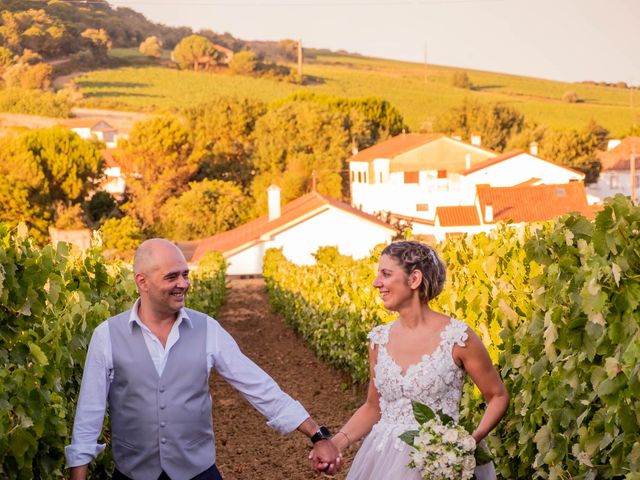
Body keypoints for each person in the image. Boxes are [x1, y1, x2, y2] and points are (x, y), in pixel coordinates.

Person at [65, 238, 340, 480]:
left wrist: (317, 435)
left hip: (197, 473)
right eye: (172, 277)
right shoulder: (107, 336)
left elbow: (260, 387)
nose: (183, 284)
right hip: (132, 474)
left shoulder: (207, 329)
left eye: (185, 274)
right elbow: (88, 417)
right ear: (142, 282)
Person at [311, 240, 509, 479]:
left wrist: (467, 444)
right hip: (382, 460)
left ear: (414, 279)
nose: (376, 283)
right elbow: (374, 407)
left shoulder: (457, 337)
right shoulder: (378, 340)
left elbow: (497, 396)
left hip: (436, 463)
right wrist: (336, 444)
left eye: (386, 274)